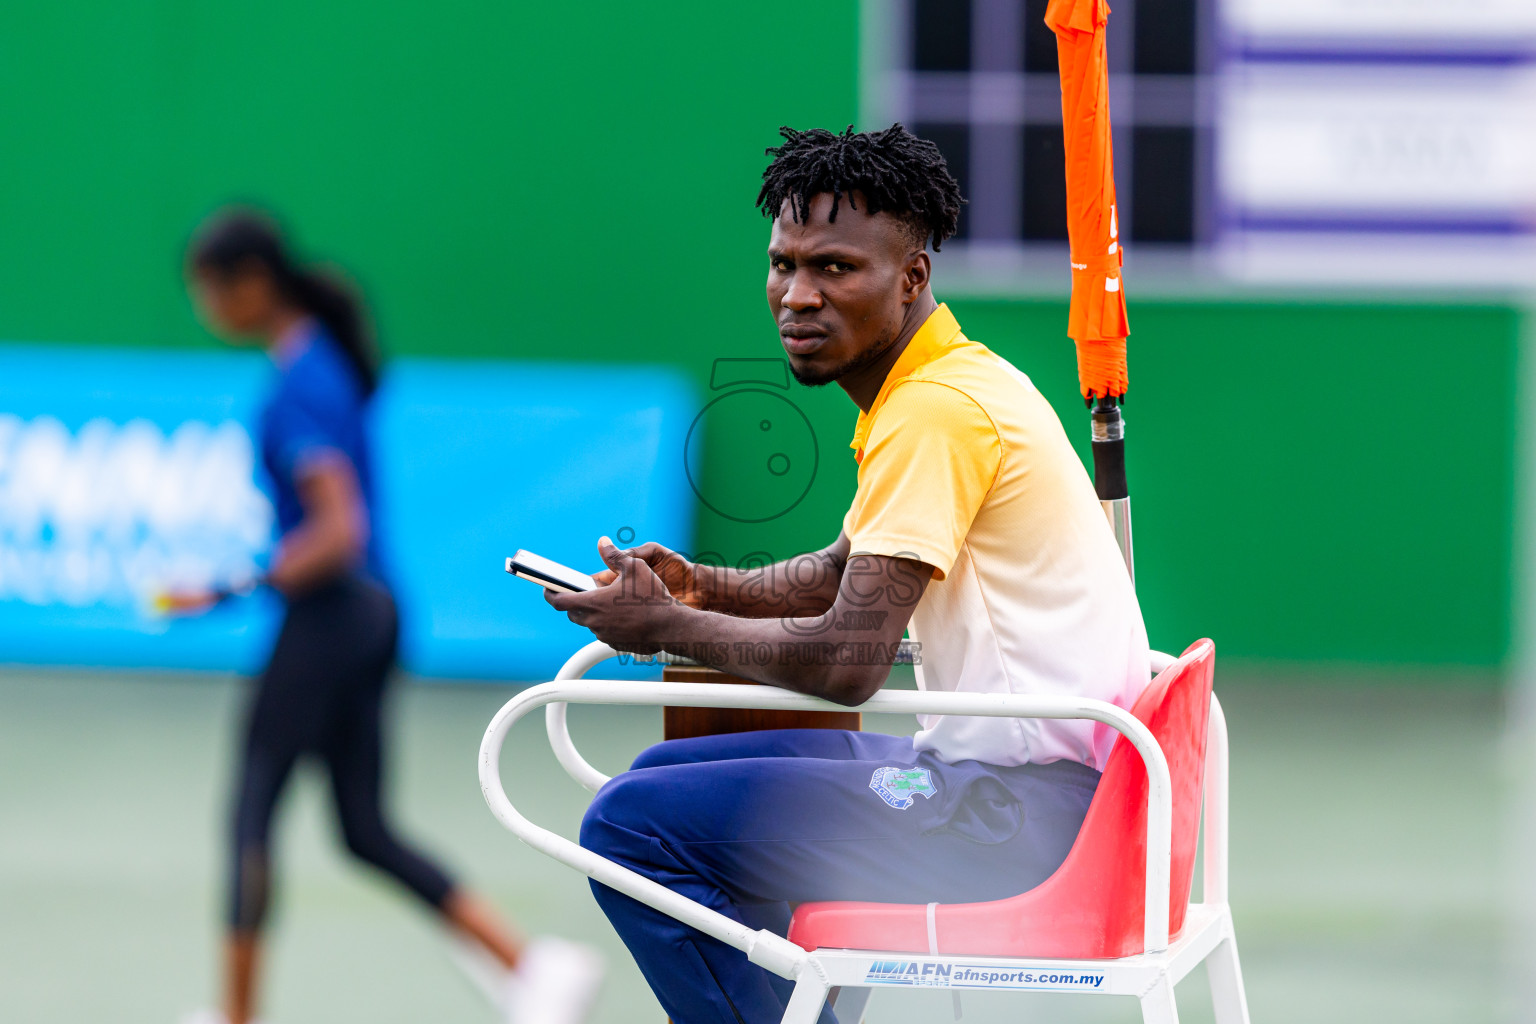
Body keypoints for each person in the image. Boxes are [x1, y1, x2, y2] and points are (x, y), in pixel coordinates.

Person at [544, 125, 1151, 1024]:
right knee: (659, 777)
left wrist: (658, 629)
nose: (797, 296)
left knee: (630, 827)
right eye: (783, 264)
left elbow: (847, 660)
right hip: (1026, 793)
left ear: (910, 279)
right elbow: (840, 574)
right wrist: (698, 587)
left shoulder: (935, 412)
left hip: (1023, 819)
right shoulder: (950, 380)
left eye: (834, 269)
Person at [178, 210, 603, 1024]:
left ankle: (233, 1018)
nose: (203, 307)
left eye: (207, 289)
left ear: (250, 284)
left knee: (251, 811)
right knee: (363, 828)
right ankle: (531, 966)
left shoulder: (298, 383)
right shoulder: (321, 363)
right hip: (374, 619)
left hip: (333, 619)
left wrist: (231, 583)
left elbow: (339, 532)